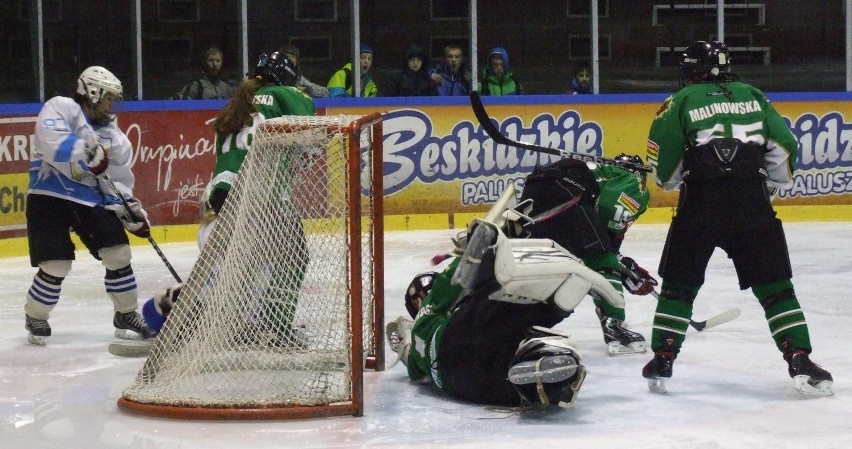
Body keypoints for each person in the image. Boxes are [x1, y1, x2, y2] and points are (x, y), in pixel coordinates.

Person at [644, 40, 833, 396]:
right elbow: (785, 148)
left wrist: (674, 178)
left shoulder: (679, 101)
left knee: (678, 286)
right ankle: (800, 357)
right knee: (776, 288)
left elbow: (664, 171)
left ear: (691, 69)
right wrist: (764, 185)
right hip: (751, 203)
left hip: (700, 203)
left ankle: (663, 357)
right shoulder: (755, 95)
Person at [386, 185, 625, 408]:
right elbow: (457, 278)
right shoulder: (429, 312)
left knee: (514, 378)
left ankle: (549, 383)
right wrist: (481, 247)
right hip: (456, 338)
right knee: (501, 302)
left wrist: (403, 340)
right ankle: (557, 303)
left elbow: (412, 365)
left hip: (462, 386)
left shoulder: (416, 349)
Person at [141, 51, 316, 337]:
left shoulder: (237, 105)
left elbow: (234, 156)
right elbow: (309, 133)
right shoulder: (283, 96)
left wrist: (224, 191)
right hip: (254, 204)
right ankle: (273, 325)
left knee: (237, 284)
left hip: (222, 204)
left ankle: (172, 308)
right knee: (287, 259)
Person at [25, 66, 155, 345]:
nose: (112, 105)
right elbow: (50, 143)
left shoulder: (114, 136)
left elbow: (116, 180)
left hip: (89, 199)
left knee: (118, 253)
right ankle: (36, 315)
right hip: (49, 196)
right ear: (93, 94)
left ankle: (125, 313)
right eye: (109, 98)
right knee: (56, 265)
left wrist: (129, 210)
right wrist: (87, 150)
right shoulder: (62, 109)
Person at [518, 156, 654, 356]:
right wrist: (613, 259)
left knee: (551, 263)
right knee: (601, 261)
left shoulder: (605, 172)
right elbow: (609, 212)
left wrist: (619, 261)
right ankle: (613, 325)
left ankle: (525, 323)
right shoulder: (632, 179)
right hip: (567, 192)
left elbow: (593, 231)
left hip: (534, 190)